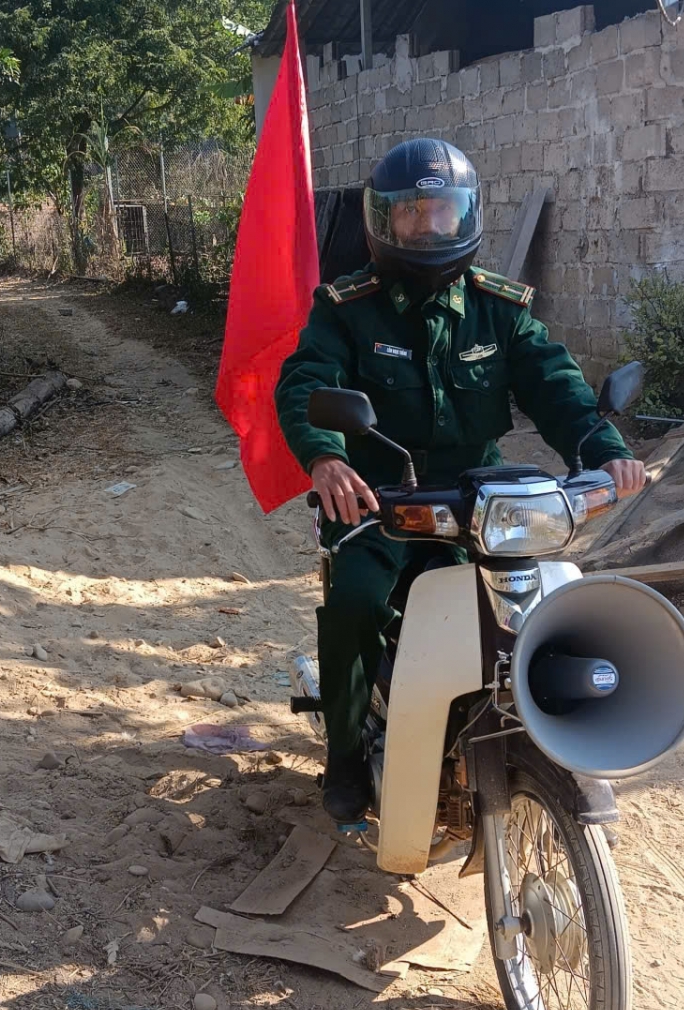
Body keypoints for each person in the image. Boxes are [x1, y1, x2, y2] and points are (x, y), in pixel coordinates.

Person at [275, 138, 647, 824]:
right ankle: (347, 753)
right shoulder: (347, 307)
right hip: (377, 499)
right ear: (382, 222)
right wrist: (328, 457)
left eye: (441, 211)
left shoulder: (498, 308)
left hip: (478, 502)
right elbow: (309, 381)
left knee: (518, 611)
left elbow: (557, 385)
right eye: (411, 213)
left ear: (466, 214)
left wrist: (606, 450)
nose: (427, 226)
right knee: (357, 599)